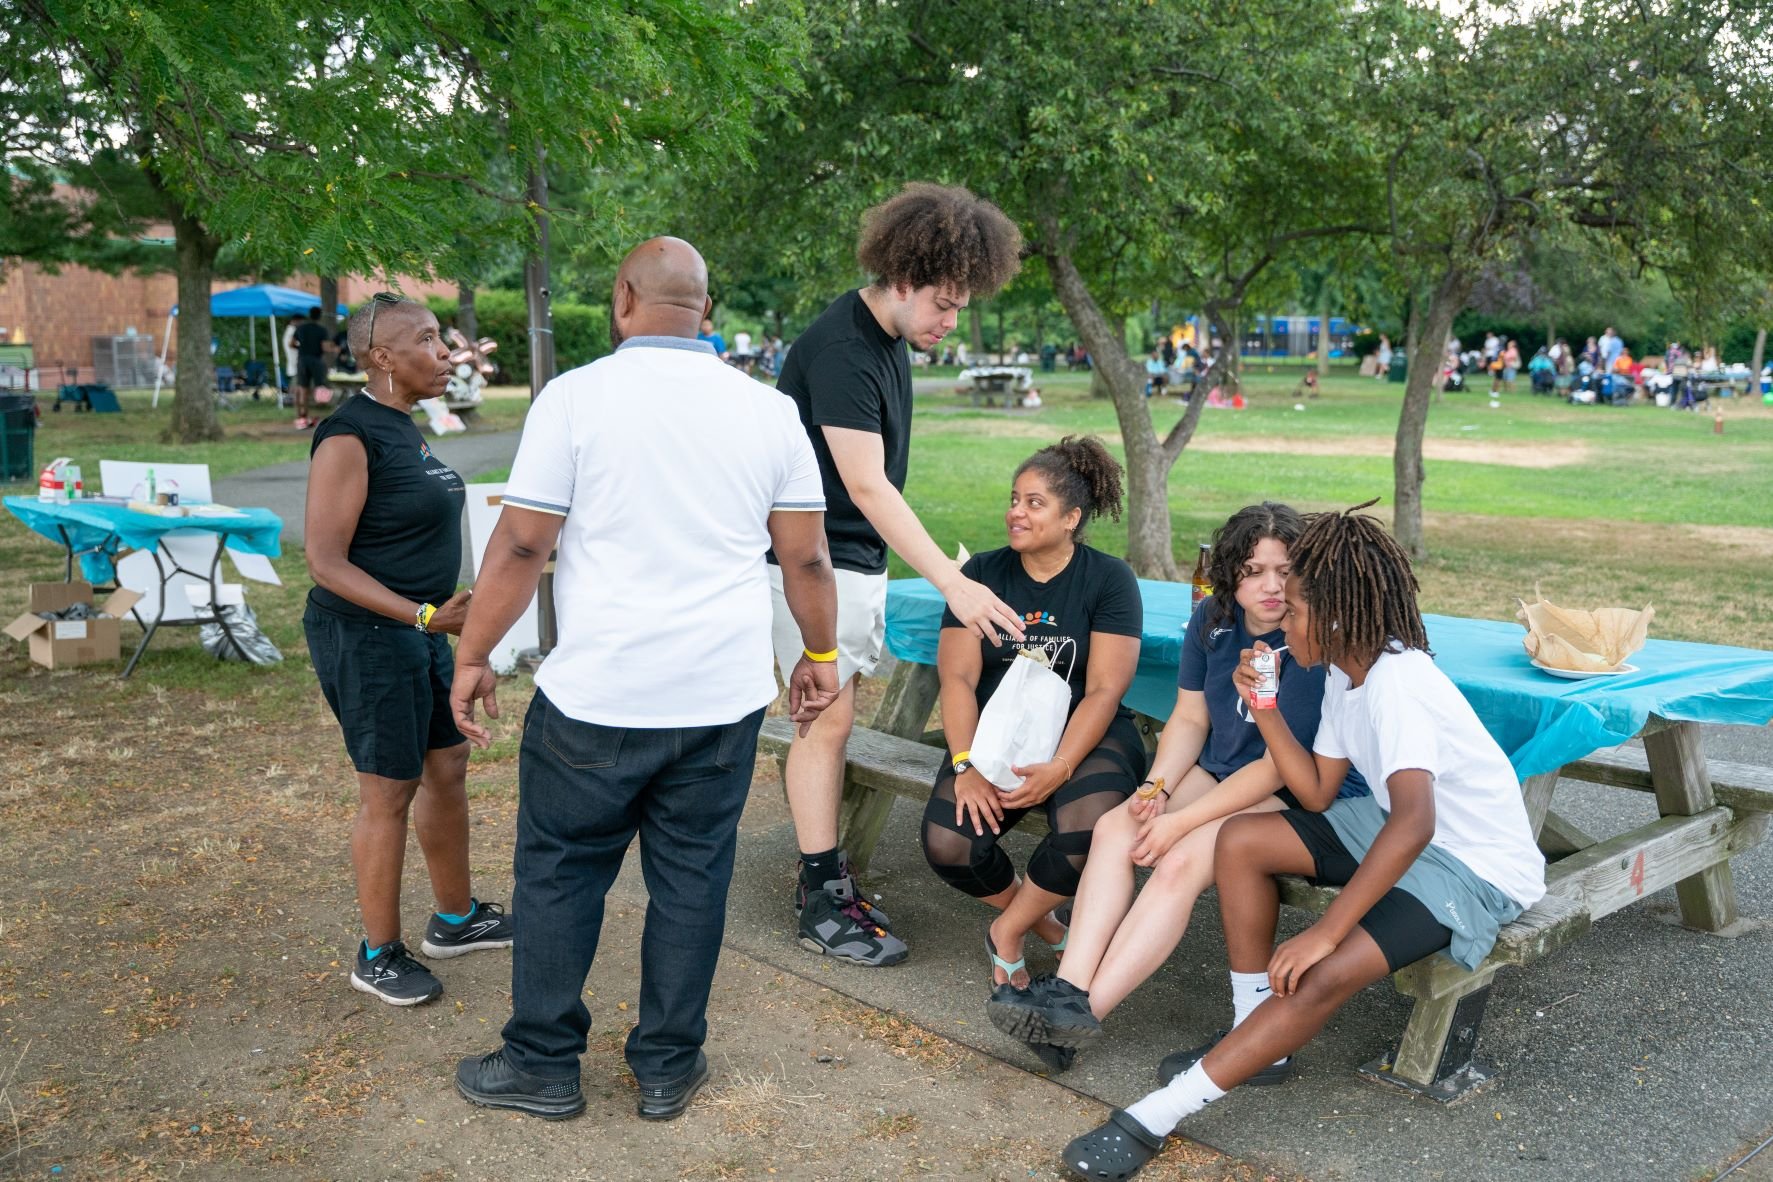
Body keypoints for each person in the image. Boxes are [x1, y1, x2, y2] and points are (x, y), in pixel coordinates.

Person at [448, 237, 841, 1122]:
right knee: (692, 878)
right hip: (720, 697)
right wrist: (818, 659)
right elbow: (807, 557)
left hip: (600, 693)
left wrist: (474, 655)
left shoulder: (576, 397)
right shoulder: (768, 409)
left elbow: (519, 543)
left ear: (624, 297)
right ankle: (666, 1064)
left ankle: (543, 1063)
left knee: (558, 874)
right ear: (705, 306)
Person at [1059, 503, 1545, 1181]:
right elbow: (1316, 792)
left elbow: (1415, 823)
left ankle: (1151, 1116)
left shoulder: (1395, 683)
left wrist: (1327, 930)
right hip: (1388, 824)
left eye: (1292, 611)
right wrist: (1264, 711)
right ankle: (1256, 1032)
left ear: (1337, 612)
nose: (1280, 621)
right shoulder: (1347, 675)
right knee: (1238, 840)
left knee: (1321, 972)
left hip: (1470, 865)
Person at [986, 503, 1365, 1071]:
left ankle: (1080, 1016)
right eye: (1253, 571)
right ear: (1230, 574)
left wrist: (1180, 822)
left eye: (1284, 571)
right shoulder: (1213, 621)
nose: (1270, 587)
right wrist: (1158, 789)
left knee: (1180, 860)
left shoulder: (1310, 639)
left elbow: (1281, 768)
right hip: (1218, 768)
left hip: (1293, 787)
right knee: (1118, 825)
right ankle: (1067, 991)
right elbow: (1190, 718)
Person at [770, 181, 1025, 968]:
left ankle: (825, 882)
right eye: (944, 304)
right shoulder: (847, 349)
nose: (950, 322)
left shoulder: (881, 339)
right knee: (826, 725)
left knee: (832, 723)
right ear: (903, 278)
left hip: (846, 564)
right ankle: (821, 898)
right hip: (814, 565)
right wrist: (953, 584)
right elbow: (865, 484)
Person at [302, 293, 509, 1007]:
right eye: (427, 340)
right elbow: (325, 562)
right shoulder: (347, 436)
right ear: (382, 357)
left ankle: (454, 918)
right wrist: (423, 615)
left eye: (443, 339)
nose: (446, 353)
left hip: (421, 631)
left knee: (446, 765)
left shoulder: (405, 430)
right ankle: (376, 953)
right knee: (388, 789)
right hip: (367, 635)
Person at [919, 439, 1143, 1011]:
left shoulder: (1110, 579)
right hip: (997, 734)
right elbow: (959, 681)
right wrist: (966, 765)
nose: (1016, 512)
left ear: (1071, 519)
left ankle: (1008, 930)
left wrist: (1063, 766)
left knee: (1087, 825)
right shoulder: (979, 574)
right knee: (950, 843)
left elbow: (1105, 689)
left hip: (1083, 735)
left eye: (1035, 503)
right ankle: (1042, 920)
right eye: (1014, 499)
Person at [292, 304, 332, 429]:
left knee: (302, 388)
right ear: (319, 316)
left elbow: (291, 343)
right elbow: (324, 347)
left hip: (303, 359)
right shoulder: (322, 330)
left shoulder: (301, 328)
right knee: (320, 386)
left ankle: (302, 416)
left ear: (309, 315)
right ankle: (320, 412)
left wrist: (301, 348)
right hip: (316, 360)